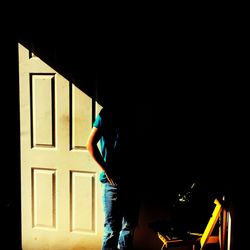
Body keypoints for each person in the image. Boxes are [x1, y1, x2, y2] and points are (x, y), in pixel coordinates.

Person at [86, 103, 140, 250]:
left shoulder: (137, 112)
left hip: (134, 180)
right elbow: (90, 144)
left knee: (128, 227)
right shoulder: (106, 113)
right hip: (113, 182)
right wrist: (106, 169)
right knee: (112, 229)